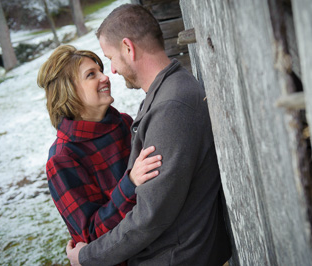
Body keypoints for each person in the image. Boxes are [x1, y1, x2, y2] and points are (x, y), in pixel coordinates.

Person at [67, 4, 232, 266]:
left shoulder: (171, 109)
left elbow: (149, 217)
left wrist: (86, 257)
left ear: (128, 48)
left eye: (110, 58)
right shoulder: (166, 92)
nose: (112, 71)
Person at [37, 45, 162, 257]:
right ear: (69, 91)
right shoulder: (62, 159)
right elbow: (91, 237)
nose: (105, 78)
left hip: (160, 243)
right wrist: (129, 184)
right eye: (91, 75)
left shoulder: (123, 122)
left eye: (101, 71)